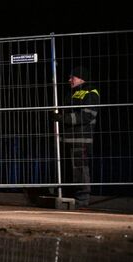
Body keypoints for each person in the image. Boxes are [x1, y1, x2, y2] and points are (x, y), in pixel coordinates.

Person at [51, 67, 100, 207]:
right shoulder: (72, 93)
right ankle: (67, 195)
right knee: (67, 169)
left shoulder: (91, 93)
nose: (69, 80)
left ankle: (82, 200)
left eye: (72, 77)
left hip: (81, 138)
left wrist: (62, 118)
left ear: (80, 78)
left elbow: (87, 115)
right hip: (67, 138)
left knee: (80, 169)